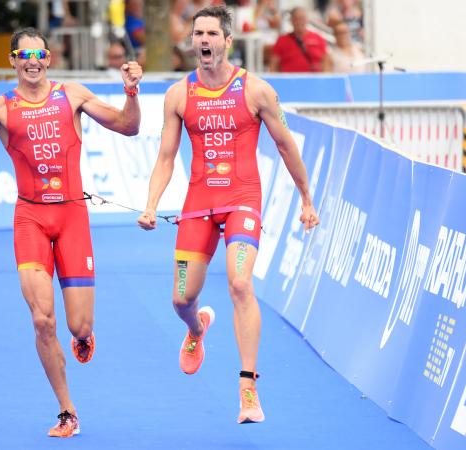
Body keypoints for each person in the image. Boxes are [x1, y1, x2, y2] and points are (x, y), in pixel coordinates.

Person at [0, 27, 142, 437]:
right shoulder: (0, 107)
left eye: (39, 54)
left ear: (49, 59)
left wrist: (132, 94)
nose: (32, 61)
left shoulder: (73, 95)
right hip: (30, 220)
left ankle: (84, 337)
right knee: (41, 320)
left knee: (78, 326)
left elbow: (127, 126)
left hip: (72, 218)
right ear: (13, 60)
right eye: (23, 54)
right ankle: (67, 411)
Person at [136, 6, 319, 424]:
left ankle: (248, 387)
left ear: (227, 41)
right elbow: (165, 157)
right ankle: (197, 328)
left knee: (240, 283)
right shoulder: (179, 95)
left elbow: (287, 146)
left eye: (212, 34)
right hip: (199, 204)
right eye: (198, 33)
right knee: (181, 299)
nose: (204, 40)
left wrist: (306, 198)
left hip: (242, 201)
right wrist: (150, 203)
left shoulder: (257, 91)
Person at [269, 7, 328, 72]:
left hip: (313, 79)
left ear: (307, 20)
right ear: (291, 21)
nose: (299, 22)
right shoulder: (282, 40)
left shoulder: (318, 38)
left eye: (302, 18)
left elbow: (326, 62)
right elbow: (273, 65)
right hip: (288, 80)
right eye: (296, 19)